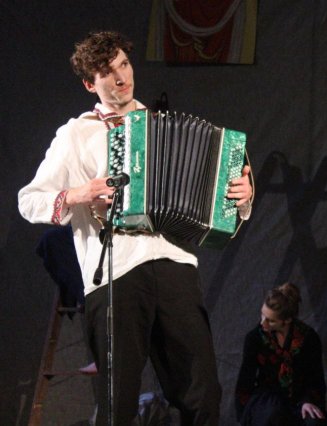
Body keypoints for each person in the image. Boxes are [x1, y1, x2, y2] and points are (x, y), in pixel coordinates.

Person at [18, 31, 253, 425]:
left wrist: (242, 197)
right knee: (118, 403)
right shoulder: (77, 134)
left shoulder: (162, 124)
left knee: (203, 395)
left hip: (174, 263)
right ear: (90, 84)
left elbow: (213, 196)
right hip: (117, 270)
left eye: (124, 65)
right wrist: (80, 193)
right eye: (107, 72)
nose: (121, 77)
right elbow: (29, 201)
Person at [235, 283, 327, 426]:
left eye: (271, 320)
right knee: (273, 415)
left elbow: (316, 378)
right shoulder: (255, 338)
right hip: (267, 398)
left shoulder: (308, 338)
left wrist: (308, 401)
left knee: (314, 421)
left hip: (299, 397)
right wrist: (243, 414)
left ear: (287, 320)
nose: (263, 323)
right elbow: (245, 380)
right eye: (262, 315)